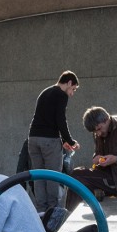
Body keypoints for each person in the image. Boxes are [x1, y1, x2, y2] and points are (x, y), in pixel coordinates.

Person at [65, 106, 117, 212]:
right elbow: (99, 152)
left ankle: (67, 213)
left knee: (76, 175)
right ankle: (70, 212)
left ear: (106, 120)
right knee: (78, 178)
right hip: (107, 176)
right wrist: (96, 158)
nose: (98, 134)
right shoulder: (99, 134)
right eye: (95, 132)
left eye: (99, 129)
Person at [28, 70, 81, 212]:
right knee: (53, 176)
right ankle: (53, 211)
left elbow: (45, 117)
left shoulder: (45, 92)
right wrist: (69, 140)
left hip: (33, 139)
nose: (72, 93)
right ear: (69, 83)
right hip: (49, 140)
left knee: (38, 176)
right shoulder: (61, 95)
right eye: (73, 89)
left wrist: (63, 140)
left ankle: (40, 210)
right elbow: (60, 119)